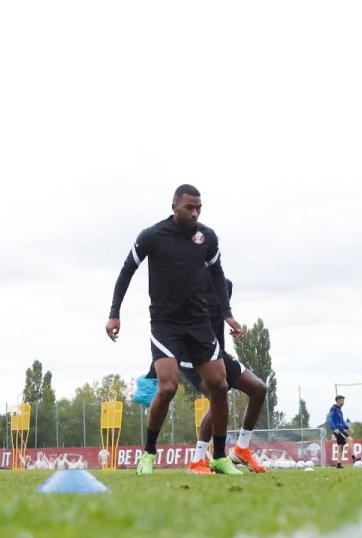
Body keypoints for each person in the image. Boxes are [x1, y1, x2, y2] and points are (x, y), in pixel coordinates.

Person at [106, 184, 243, 475]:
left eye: (199, 208)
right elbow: (126, 270)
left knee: (219, 386)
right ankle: (148, 453)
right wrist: (114, 313)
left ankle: (218, 456)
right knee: (167, 387)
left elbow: (217, 275)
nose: (194, 213)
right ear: (174, 207)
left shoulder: (206, 237)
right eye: (189, 207)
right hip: (166, 323)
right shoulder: (152, 236)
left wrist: (228, 314)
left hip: (199, 322)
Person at [182, 279, 269, 475]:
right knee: (218, 396)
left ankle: (241, 450)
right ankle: (198, 460)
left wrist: (230, 320)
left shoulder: (224, 286)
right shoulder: (188, 290)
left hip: (217, 354)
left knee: (258, 389)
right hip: (192, 358)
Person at [327, 395, 358, 469]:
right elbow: (330, 420)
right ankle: (354, 458)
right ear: (337, 401)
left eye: (343, 400)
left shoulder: (339, 410)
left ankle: (338, 465)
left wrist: (348, 427)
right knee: (350, 439)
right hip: (338, 430)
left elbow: (342, 422)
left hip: (340, 429)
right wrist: (334, 428)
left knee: (341, 447)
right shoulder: (333, 409)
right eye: (342, 400)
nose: (343, 402)